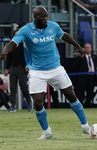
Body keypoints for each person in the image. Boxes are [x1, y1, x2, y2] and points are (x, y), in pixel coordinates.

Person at [1, 6, 89, 139]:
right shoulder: (26, 31)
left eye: (46, 16)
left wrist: (78, 47)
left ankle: (85, 125)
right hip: (37, 71)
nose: (45, 19)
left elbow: (64, 35)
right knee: (38, 102)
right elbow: (12, 43)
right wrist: (5, 51)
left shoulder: (53, 26)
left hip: (55, 68)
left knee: (70, 94)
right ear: (35, 17)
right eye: (42, 17)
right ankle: (47, 132)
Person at [4, 28, 33, 112]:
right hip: (13, 68)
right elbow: (9, 58)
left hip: (22, 68)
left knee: (23, 87)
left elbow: (29, 56)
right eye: (15, 35)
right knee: (12, 87)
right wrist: (7, 69)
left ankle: (29, 103)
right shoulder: (11, 46)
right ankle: (13, 105)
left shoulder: (25, 45)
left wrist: (28, 65)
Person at [73, 43, 97, 108]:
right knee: (81, 93)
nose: (88, 49)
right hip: (83, 78)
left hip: (91, 77)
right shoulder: (80, 57)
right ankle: (80, 107)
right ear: (84, 49)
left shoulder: (94, 57)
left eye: (89, 47)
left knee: (90, 93)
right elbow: (75, 67)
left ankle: (88, 105)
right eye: (86, 47)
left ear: (91, 48)